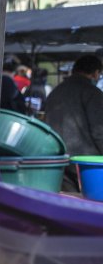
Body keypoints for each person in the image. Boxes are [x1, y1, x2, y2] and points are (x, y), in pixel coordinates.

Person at [44, 55, 103, 192]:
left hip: (58, 159)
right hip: (85, 163)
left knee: (68, 203)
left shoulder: (55, 92)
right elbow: (99, 131)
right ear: (95, 73)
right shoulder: (92, 93)